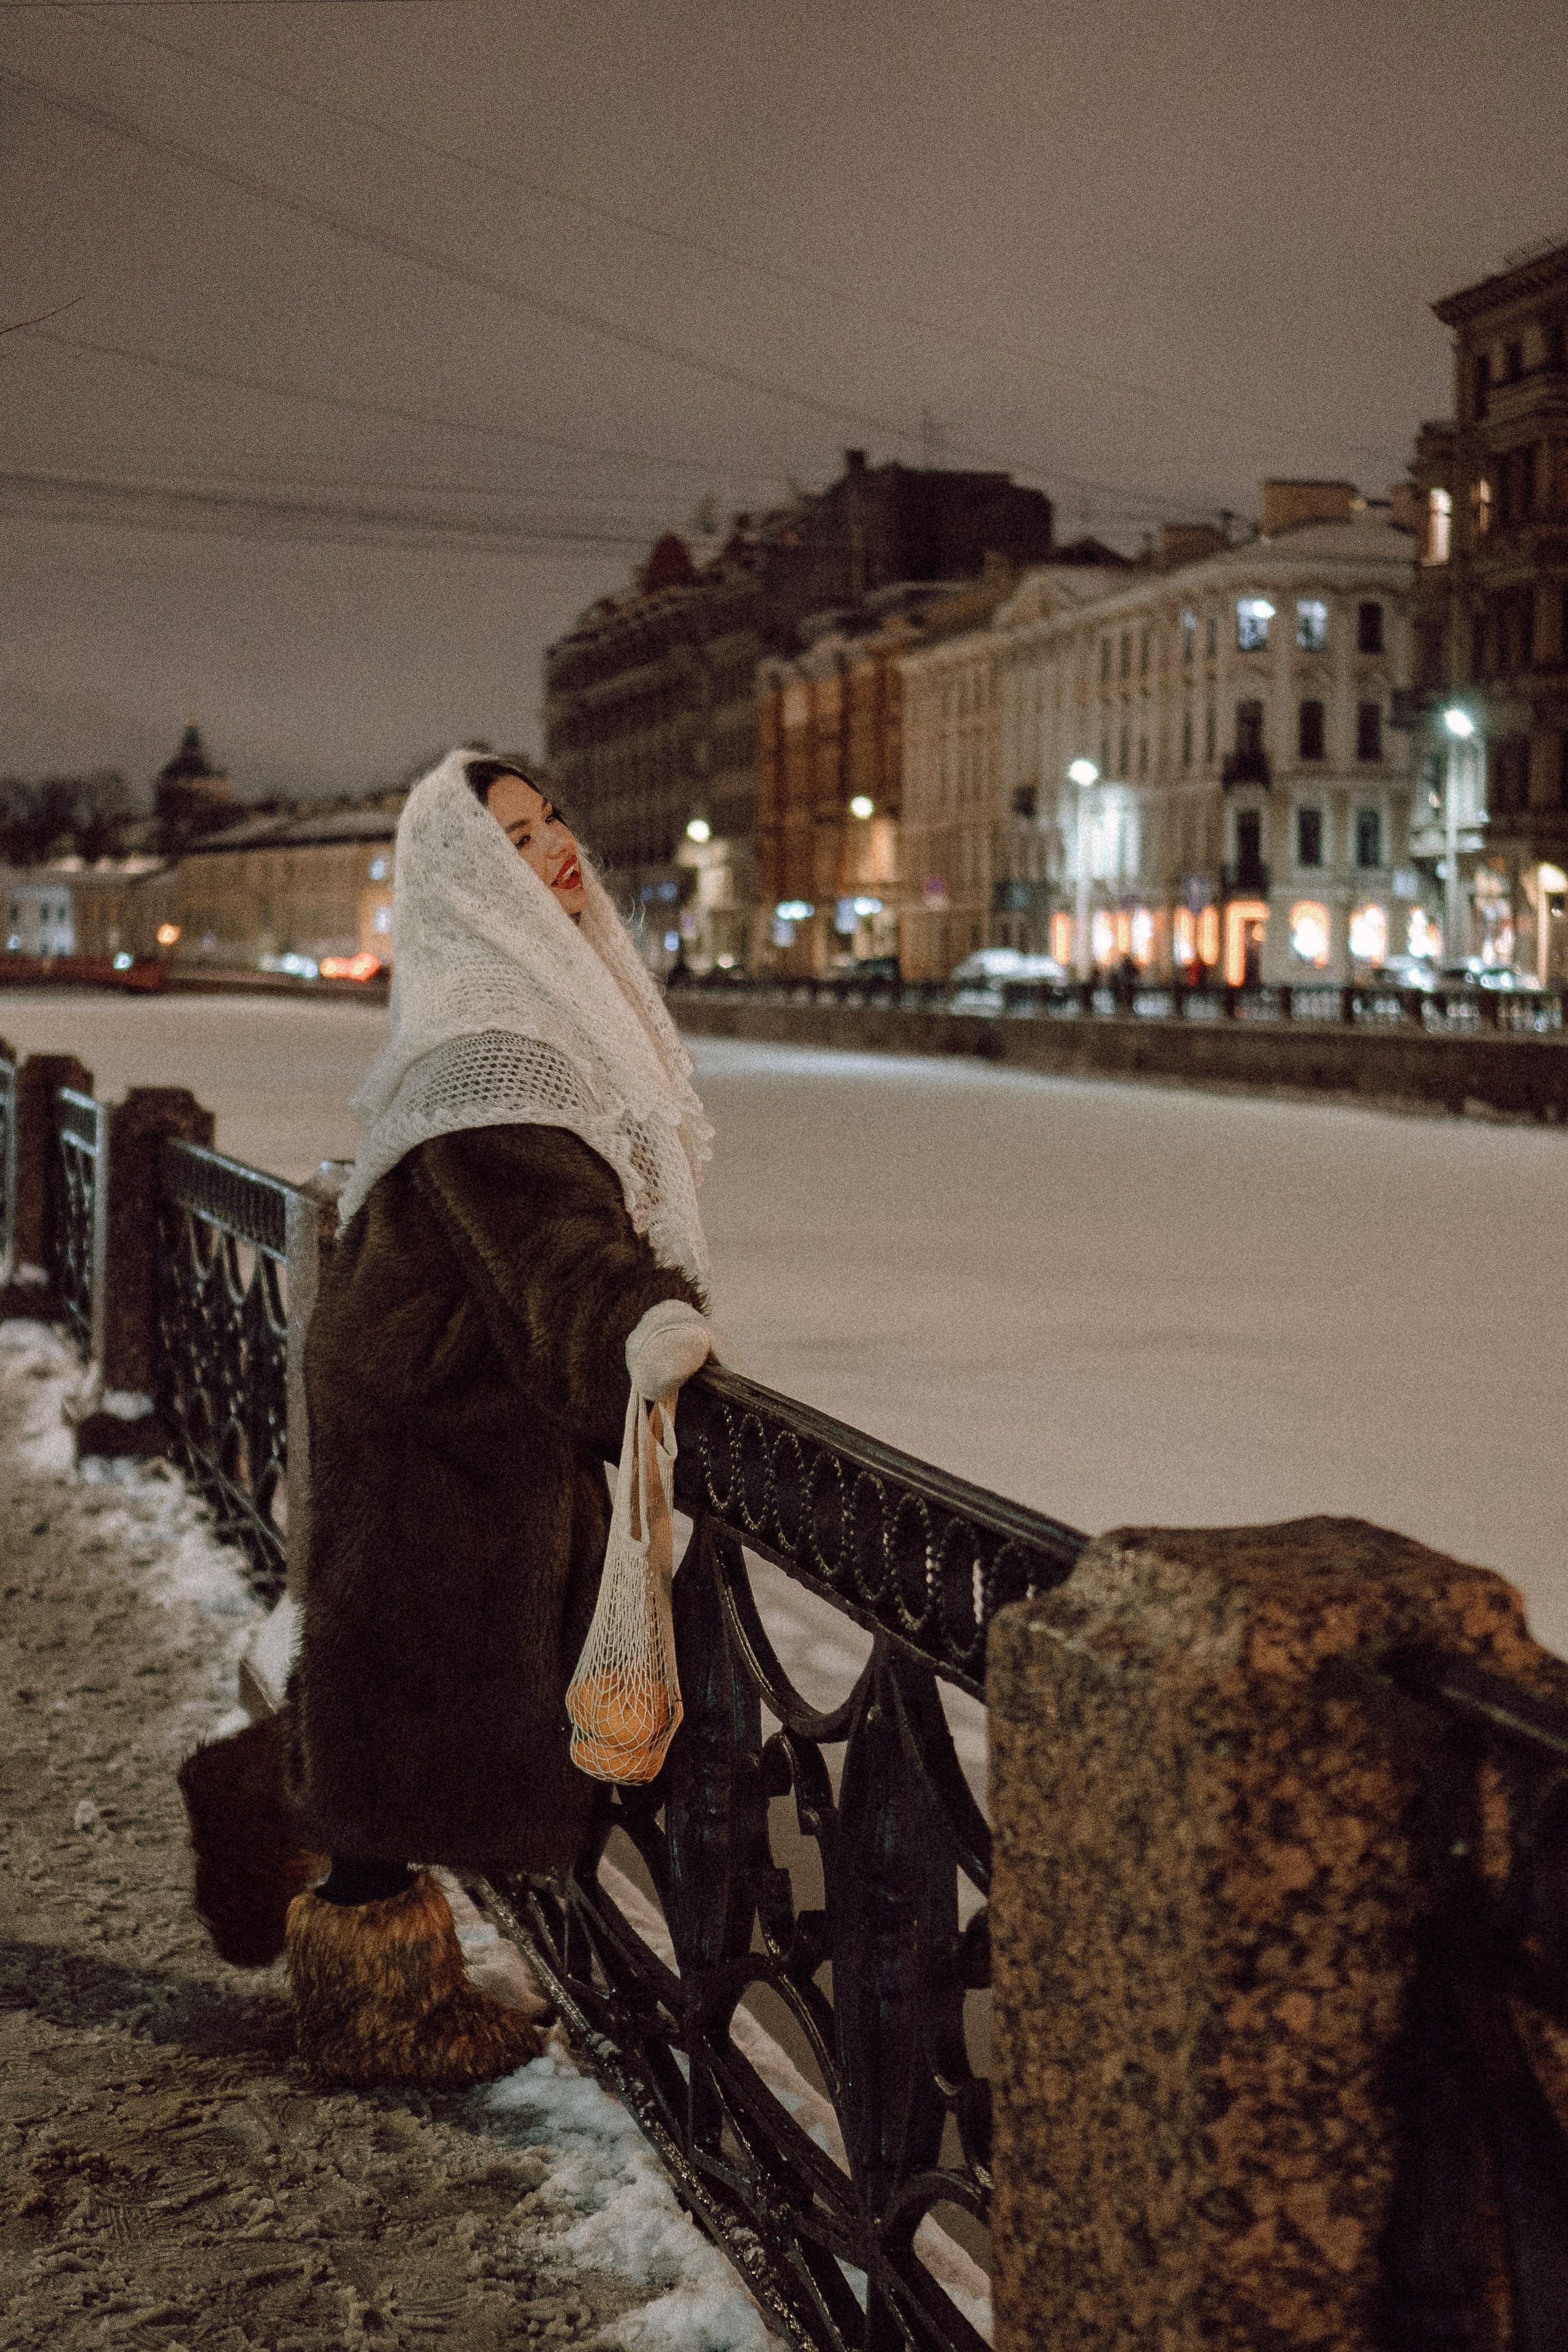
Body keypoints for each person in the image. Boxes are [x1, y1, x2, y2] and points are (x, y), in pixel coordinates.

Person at [186, 746, 717, 2090]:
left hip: (433, 1399)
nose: (552, 854)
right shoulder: (498, 1044)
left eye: (550, 824)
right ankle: (376, 2009)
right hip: (442, 1427)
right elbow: (551, 1245)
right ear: (463, 882)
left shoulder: (520, 1004)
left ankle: (286, 1821)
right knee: (420, 1708)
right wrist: (634, 1328)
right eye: (510, 842)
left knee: (401, 1695)